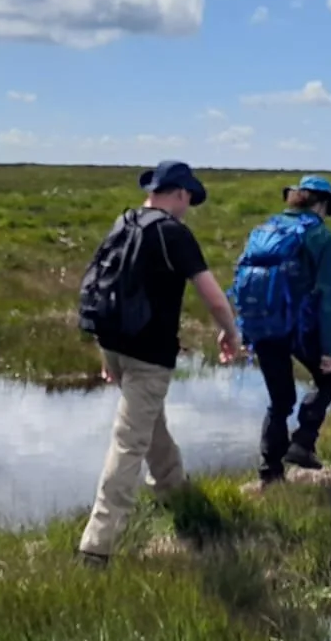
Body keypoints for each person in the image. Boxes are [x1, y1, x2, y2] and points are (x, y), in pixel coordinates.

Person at [76, 160, 241, 566]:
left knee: (149, 422)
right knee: (128, 442)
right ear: (181, 193)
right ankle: (97, 545)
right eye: (189, 198)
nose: (189, 206)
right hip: (148, 352)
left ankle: (173, 491)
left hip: (114, 342)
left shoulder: (126, 221)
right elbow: (214, 297)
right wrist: (230, 332)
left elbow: (101, 285)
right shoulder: (173, 233)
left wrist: (105, 350)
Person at [231, 175, 331, 484]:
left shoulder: (264, 229)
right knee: (327, 381)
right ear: (321, 204)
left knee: (280, 401)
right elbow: (327, 298)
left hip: (262, 326)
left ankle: (270, 473)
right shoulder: (320, 236)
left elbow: (241, 279)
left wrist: (241, 327)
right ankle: (303, 442)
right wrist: (328, 350)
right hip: (299, 327)